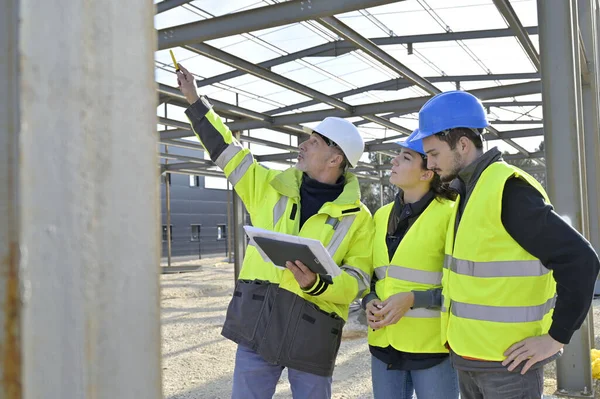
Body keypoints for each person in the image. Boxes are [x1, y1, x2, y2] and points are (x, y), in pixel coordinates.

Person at [176, 65, 374, 399]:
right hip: (259, 321)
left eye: (313, 142)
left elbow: (357, 279)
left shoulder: (358, 217)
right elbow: (226, 150)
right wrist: (196, 101)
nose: (303, 145)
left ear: (334, 158)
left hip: (312, 330)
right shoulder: (269, 186)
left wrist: (316, 283)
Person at [410, 90, 600, 399]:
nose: (429, 164)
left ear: (462, 144)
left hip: (509, 365)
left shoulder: (508, 190)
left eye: (433, 153)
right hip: (470, 357)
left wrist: (556, 337)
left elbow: (581, 260)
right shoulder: (468, 192)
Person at [362, 130, 459, 399]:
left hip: (432, 347)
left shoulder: (451, 215)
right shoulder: (380, 216)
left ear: (427, 173)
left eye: (405, 157)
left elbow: (465, 284)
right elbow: (372, 276)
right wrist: (368, 299)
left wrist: (414, 298)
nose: (393, 161)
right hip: (384, 344)